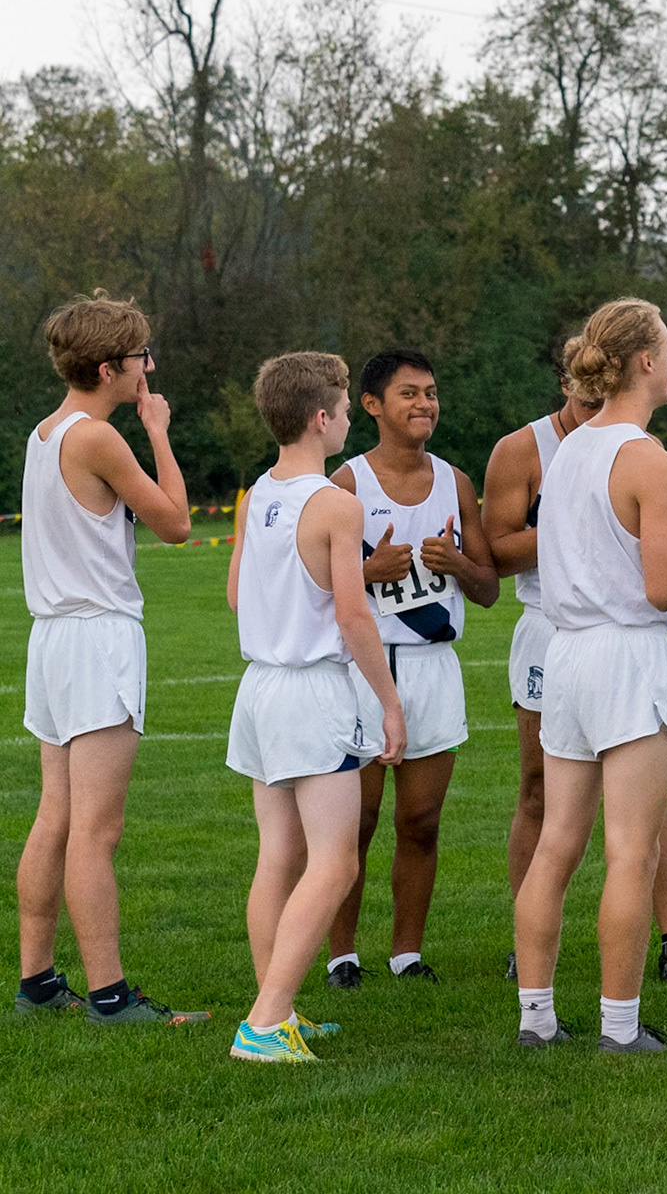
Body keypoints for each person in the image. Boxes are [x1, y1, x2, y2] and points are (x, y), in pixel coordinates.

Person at [483, 341, 667, 984]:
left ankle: (537, 1015)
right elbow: (664, 587)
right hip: (622, 650)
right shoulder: (645, 456)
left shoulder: (574, 448)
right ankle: (620, 1022)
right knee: (631, 850)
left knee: (558, 844)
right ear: (644, 361)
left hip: (566, 648)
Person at [14, 291, 207, 1026]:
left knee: (56, 816)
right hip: (97, 640)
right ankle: (110, 997)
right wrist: (158, 433)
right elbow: (177, 524)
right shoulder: (98, 437)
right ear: (107, 368)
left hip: (53, 641)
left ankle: (37, 984)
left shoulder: (44, 432)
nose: (147, 369)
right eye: (140, 358)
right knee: (96, 830)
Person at [225, 353, 406, 1062]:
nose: (347, 420)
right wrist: (390, 704)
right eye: (344, 407)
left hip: (259, 689)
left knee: (279, 855)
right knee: (335, 864)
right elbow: (355, 617)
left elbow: (238, 595)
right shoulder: (336, 503)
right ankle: (266, 1023)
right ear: (321, 417)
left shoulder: (255, 495)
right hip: (310, 692)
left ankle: (275, 1011)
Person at [326, 350, 498, 988]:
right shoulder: (346, 484)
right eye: (409, 393)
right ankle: (342, 956)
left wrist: (458, 565)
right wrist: (368, 571)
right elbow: (313, 583)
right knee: (356, 822)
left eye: (431, 392)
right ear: (372, 405)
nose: (425, 403)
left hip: (433, 667)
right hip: (364, 670)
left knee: (420, 821)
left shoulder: (456, 482)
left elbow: (488, 589)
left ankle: (406, 954)